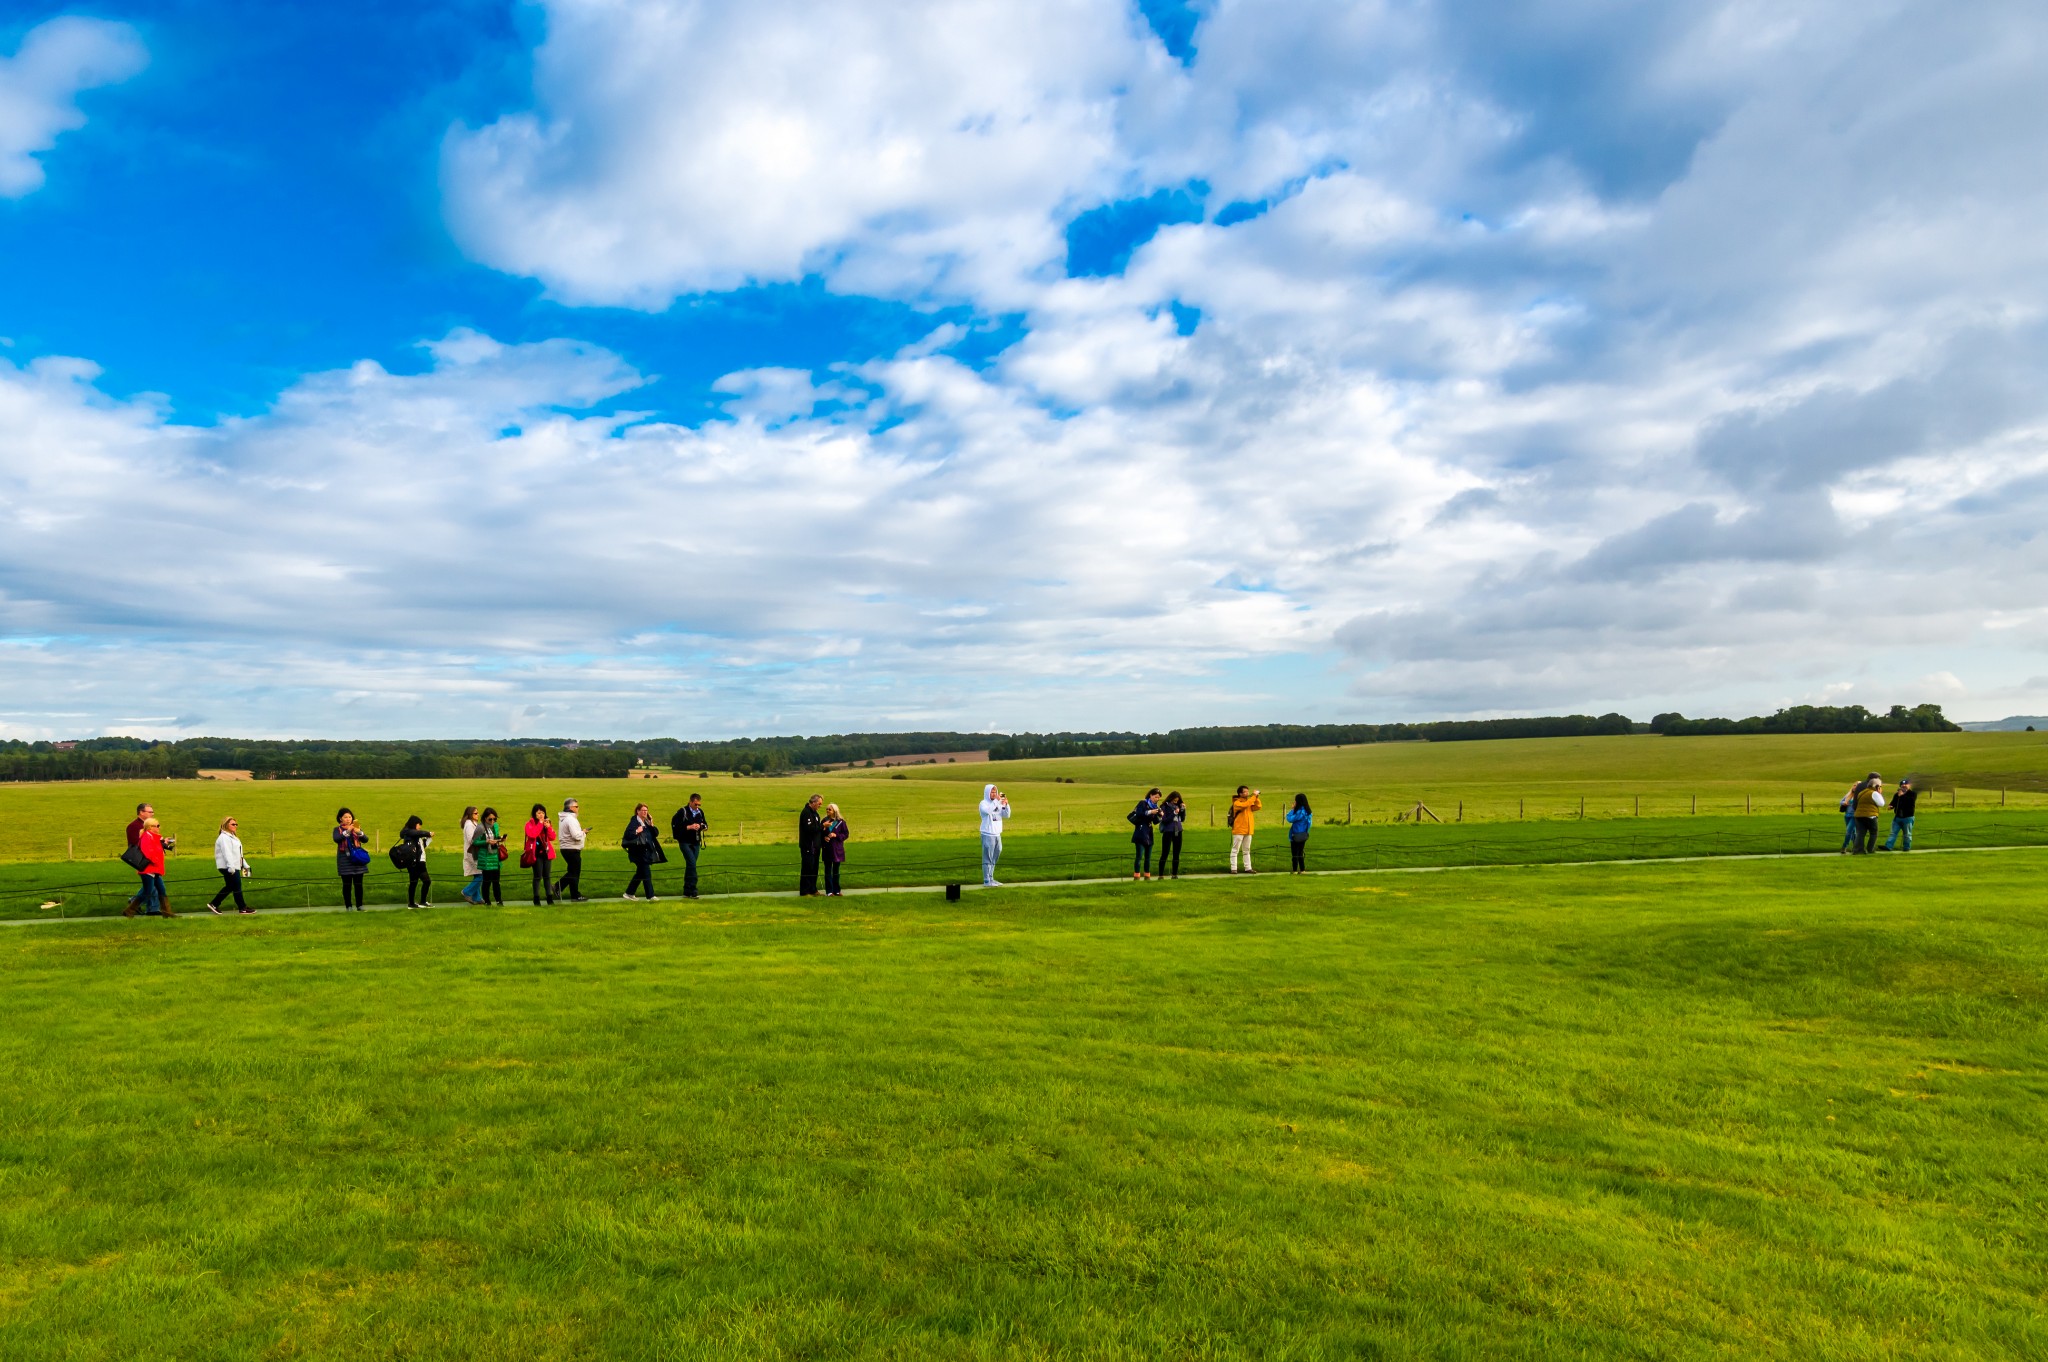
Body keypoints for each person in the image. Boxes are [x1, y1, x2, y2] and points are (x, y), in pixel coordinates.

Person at [209, 815, 252, 914]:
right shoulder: (224, 837)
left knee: (230, 886)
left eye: (236, 824)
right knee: (236, 886)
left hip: (234, 866)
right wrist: (231, 867)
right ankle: (242, 908)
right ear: (226, 824)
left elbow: (238, 854)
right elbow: (227, 853)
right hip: (228, 867)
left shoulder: (233, 837)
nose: (235, 826)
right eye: (233, 824)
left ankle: (214, 904)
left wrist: (245, 865)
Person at [134, 816, 174, 917]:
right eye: (157, 826)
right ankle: (131, 908)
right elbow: (148, 853)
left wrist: (164, 843)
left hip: (154, 869)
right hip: (149, 869)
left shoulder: (152, 836)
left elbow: (156, 848)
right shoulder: (147, 836)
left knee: (161, 890)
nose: (159, 828)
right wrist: (156, 861)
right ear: (150, 827)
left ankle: (167, 913)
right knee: (148, 891)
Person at [622, 803, 661, 900]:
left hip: (645, 852)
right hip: (637, 853)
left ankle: (629, 893)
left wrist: (651, 823)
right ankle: (651, 896)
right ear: (637, 811)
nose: (645, 812)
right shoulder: (634, 822)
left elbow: (655, 834)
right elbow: (627, 835)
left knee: (640, 873)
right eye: (643, 810)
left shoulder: (646, 822)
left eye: (646, 810)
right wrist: (636, 831)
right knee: (646, 873)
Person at [671, 793, 707, 898]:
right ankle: (693, 890)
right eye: (695, 804)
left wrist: (701, 826)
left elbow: (705, 824)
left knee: (690, 865)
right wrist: (689, 827)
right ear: (690, 802)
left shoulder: (700, 812)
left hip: (696, 842)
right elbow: (676, 827)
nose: (697, 806)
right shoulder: (682, 812)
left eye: (699, 804)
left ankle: (686, 891)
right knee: (692, 863)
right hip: (684, 842)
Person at [122, 801, 155, 915]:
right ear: (141, 812)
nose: (152, 814)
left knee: (152, 883)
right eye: (150, 811)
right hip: (141, 859)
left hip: (150, 858)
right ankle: (137, 904)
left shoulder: (147, 826)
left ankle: (151, 908)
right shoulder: (133, 826)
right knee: (151, 884)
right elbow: (135, 844)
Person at [335, 807, 370, 910]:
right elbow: (337, 839)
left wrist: (359, 832)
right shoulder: (337, 830)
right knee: (347, 885)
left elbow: (365, 840)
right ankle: (348, 906)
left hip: (358, 859)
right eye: (345, 817)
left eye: (350, 817)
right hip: (345, 859)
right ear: (340, 818)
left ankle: (359, 905)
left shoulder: (356, 827)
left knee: (358, 884)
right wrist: (347, 831)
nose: (348, 819)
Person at [522, 803, 558, 905]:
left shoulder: (546, 823)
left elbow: (552, 837)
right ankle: (536, 898)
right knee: (537, 876)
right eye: (539, 813)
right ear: (534, 814)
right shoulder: (529, 824)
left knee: (547, 876)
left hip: (546, 853)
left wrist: (549, 827)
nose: (541, 814)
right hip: (535, 853)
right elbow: (532, 834)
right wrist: (540, 824)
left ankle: (549, 898)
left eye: (543, 812)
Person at [472, 807, 506, 905]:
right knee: (487, 882)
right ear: (484, 818)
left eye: (494, 819)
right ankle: (487, 901)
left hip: (495, 857)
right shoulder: (480, 827)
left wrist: (501, 839)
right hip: (485, 857)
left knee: (496, 881)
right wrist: (486, 841)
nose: (492, 821)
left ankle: (499, 900)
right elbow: (474, 842)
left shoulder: (495, 826)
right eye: (490, 819)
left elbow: (496, 837)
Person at [555, 798, 588, 901]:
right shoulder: (570, 819)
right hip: (572, 849)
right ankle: (559, 887)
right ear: (571, 807)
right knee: (574, 872)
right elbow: (576, 836)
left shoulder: (564, 818)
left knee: (572, 871)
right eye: (576, 806)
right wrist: (584, 832)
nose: (578, 808)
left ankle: (574, 894)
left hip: (566, 848)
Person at [978, 784, 1010, 886]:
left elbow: (1006, 815)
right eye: (992, 792)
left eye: (995, 792)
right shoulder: (983, 803)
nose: (994, 794)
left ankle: (991, 877)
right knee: (988, 857)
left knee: (996, 854)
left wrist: (1005, 805)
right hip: (987, 833)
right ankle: (986, 880)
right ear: (987, 793)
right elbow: (988, 811)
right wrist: (996, 801)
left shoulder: (998, 803)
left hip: (997, 834)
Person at [400, 815, 434, 908]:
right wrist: (428, 833)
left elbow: (421, 846)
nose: (419, 827)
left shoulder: (415, 835)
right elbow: (414, 834)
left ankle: (417, 902)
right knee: (422, 881)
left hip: (420, 861)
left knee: (417, 881)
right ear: (414, 824)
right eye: (419, 825)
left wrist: (429, 839)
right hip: (415, 862)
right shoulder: (408, 833)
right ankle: (414, 902)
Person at [1128, 788, 1162, 880]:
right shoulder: (1142, 803)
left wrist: (1160, 815)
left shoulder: (1155, 807)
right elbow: (1139, 814)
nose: (1157, 799)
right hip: (1140, 832)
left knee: (1148, 857)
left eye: (1158, 798)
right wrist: (1150, 812)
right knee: (1139, 856)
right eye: (1156, 797)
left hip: (1149, 834)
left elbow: (1155, 822)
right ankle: (1137, 875)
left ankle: (1147, 876)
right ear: (1150, 795)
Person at [1228, 785, 1263, 873]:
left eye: (1248, 791)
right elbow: (1245, 805)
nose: (1247, 793)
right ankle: (1233, 868)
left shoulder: (1249, 801)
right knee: (1235, 849)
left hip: (1248, 830)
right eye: (1245, 792)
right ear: (1240, 794)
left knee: (1247, 850)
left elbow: (1258, 806)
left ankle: (1248, 868)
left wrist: (1256, 798)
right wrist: (1253, 796)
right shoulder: (1237, 803)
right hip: (1239, 829)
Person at [798, 794, 826, 896]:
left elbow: (817, 828)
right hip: (808, 846)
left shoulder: (816, 814)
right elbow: (809, 829)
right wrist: (822, 826)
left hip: (815, 847)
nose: (820, 806)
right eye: (819, 804)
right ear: (813, 802)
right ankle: (804, 891)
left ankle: (813, 889)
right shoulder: (806, 813)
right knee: (807, 868)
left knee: (814, 868)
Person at [1882, 779, 1918, 851]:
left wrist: (1902, 795)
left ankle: (1906, 847)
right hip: (1897, 817)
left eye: (1906, 784)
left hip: (1907, 817)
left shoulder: (1912, 793)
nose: (1904, 786)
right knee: (1893, 833)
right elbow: (1893, 803)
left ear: (1909, 785)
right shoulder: (1897, 794)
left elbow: (1910, 801)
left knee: (1907, 834)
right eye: (1902, 785)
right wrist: (1891, 806)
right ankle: (1888, 846)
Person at [1852, 777, 1885, 855]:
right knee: (1873, 833)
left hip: (1858, 815)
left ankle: (1858, 850)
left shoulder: (1862, 792)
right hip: (1870, 816)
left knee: (1860, 833)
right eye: (1880, 786)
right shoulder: (1874, 793)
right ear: (1877, 786)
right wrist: (1880, 793)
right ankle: (1870, 849)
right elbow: (1881, 803)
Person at [1157, 792, 1187, 879]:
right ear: (1171, 798)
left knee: (1176, 853)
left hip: (1178, 830)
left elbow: (1183, 819)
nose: (1176, 802)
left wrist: (1183, 810)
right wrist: (1174, 812)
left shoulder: (1178, 805)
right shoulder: (1164, 806)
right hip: (1168, 831)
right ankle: (1161, 875)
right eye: (1174, 800)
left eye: (1177, 800)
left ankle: (1174, 874)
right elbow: (1165, 820)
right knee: (1165, 852)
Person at [822, 803, 850, 895]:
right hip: (827, 849)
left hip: (837, 850)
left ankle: (837, 890)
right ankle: (829, 892)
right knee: (828, 871)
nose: (827, 811)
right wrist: (824, 837)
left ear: (835, 811)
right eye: (826, 809)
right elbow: (819, 833)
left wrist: (836, 835)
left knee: (836, 871)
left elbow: (846, 834)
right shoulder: (824, 821)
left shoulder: (841, 822)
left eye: (829, 809)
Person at [459, 804, 483, 904]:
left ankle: (477, 898)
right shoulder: (469, 825)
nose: (478, 815)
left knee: (477, 875)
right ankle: (466, 892)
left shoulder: (472, 824)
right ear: (470, 814)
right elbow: (471, 839)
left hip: (474, 852)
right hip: (472, 853)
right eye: (475, 813)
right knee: (482, 874)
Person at [1285, 793, 1313, 873]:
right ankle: (1302, 869)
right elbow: (1309, 824)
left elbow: (1290, 819)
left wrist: (1293, 809)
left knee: (1295, 853)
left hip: (1296, 834)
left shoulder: (1300, 812)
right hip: (1304, 834)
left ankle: (1294, 870)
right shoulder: (1308, 812)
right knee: (1300, 852)